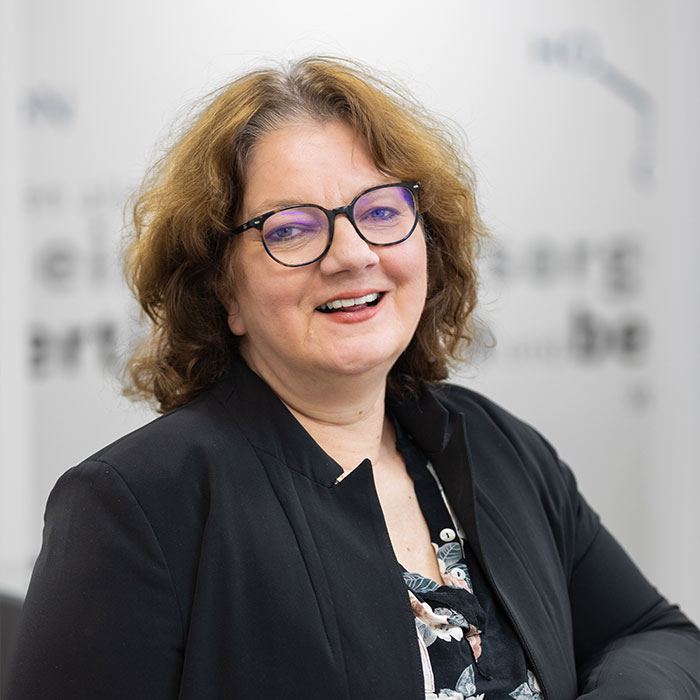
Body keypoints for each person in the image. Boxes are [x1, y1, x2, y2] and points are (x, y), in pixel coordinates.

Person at [5, 57, 699, 700]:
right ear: (223, 289)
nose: (352, 254)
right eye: (292, 229)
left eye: (381, 211)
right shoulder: (135, 506)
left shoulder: (494, 445)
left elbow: (659, 637)